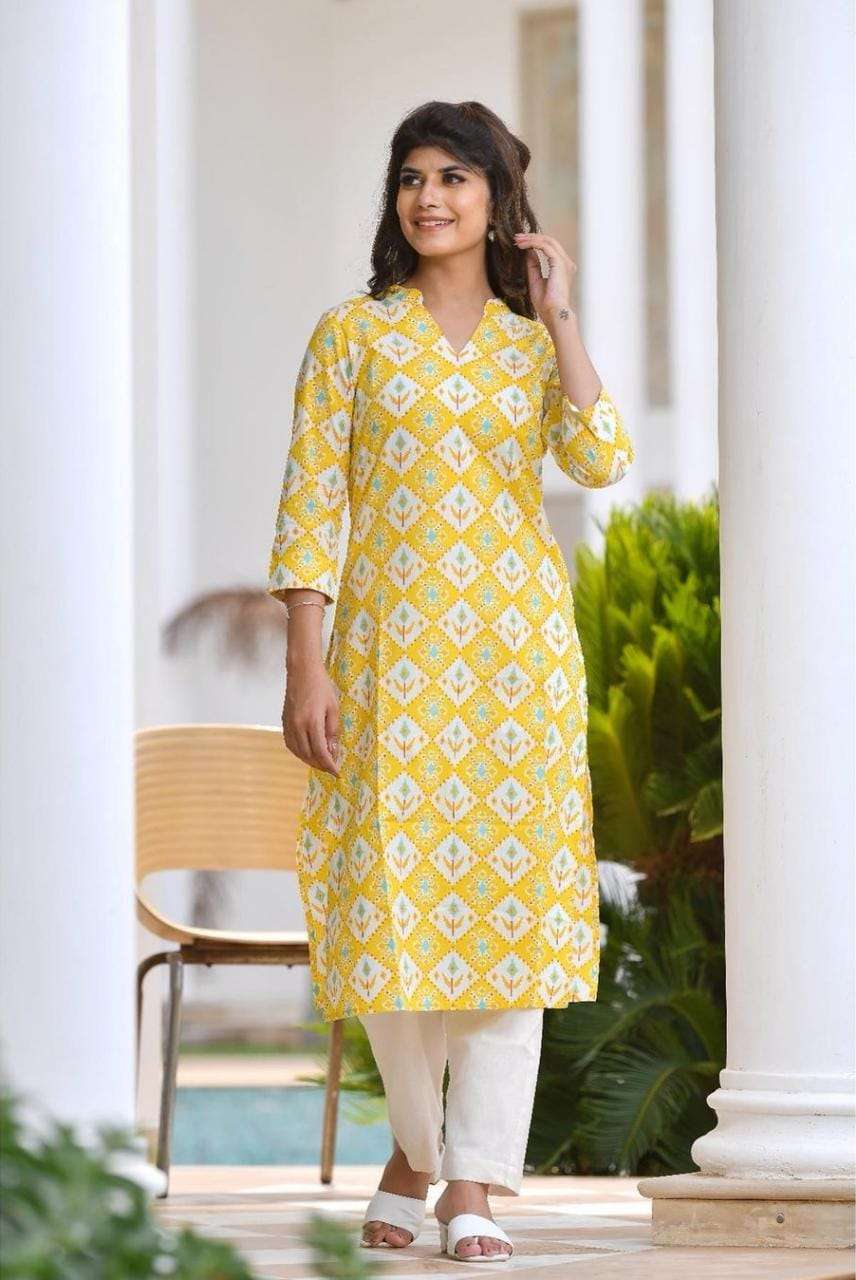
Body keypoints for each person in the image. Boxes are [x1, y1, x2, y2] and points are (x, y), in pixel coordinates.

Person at [267, 100, 635, 1263]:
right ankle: (416, 1150)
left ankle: (470, 1177)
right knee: (394, 906)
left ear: (495, 197)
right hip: (388, 661)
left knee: (503, 917)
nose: (428, 196)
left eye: (453, 177)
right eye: (412, 177)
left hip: (513, 666)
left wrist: (561, 313)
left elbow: (600, 458)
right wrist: (306, 659)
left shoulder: (530, 346)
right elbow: (310, 500)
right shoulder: (354, 335)